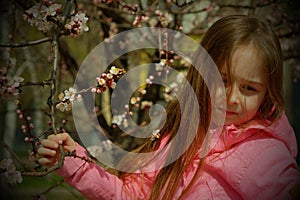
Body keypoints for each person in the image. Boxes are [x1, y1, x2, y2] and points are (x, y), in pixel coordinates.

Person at [38, 15, 300, 200]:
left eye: (249, 88)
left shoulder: (266, 154)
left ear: (267, 94)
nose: (232, 98)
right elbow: (130, 194)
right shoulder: (178, 137)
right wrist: (74, 161)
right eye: (222, 80)